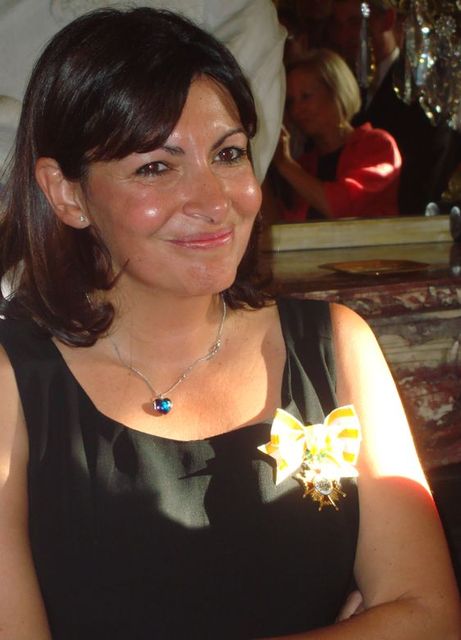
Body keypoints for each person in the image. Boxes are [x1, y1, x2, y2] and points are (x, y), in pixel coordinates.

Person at [0, 7, 459, 640]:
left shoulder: (334, 345)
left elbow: (430, 616)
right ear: (66, 193)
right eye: (156, 167)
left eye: (228, 154)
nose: (216, 201)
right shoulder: (14, 379)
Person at [329, 0, 461, 216]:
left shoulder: (422, 86)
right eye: (338, 25)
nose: (345, 35)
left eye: (355, 22)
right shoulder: (340, 83)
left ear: (388, 19)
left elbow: (433, 163)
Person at [271, 48, 401, 221]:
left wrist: (285, 164)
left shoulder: (378, 145)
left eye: (306, 96)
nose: (296, 110)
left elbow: (344, 208)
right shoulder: (305, 164)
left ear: (337, 92)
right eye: (290, 102)